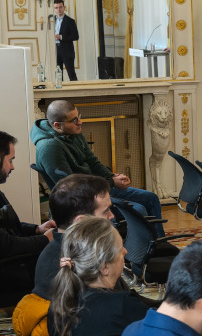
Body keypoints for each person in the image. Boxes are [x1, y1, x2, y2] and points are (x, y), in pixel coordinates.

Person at [31, 99, 165, 237]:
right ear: (57, 125)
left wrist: (111, 177)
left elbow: (92, 161)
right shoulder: (50, 148)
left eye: (79, 117)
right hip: (82, 200)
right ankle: (134, 252)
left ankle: (159, 246)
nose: (80, 122)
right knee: (139, 209)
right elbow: (73, 189)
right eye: (74, 120)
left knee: (151, 198)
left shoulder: (72, 132)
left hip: (95, 189)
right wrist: (112, 183)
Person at [47, 216, 147, 336]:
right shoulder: (122, 305)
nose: (126, 252)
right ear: (104, 267)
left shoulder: (59, 304)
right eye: (120, 250)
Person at [33, 173, 115, 300]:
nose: (111, 216)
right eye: (106, 211)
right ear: (81, 222)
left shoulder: (57, 252)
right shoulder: (81, 263)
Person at [0, 131, 55, 306]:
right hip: (8, 272)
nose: (13, 167)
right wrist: (44, 239)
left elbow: (12, 226)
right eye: (10, 160)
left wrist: (37, 229)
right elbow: (6, 245)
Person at [53, 0, 79, 82]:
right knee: (58, 74)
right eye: (56, 8)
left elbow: (75, 36)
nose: (58, 10)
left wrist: (60, 37)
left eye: (60, 7)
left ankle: (76, 92)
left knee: (71, 73)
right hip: (55, 50)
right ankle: (60, 92)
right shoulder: (51, 20)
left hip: (67, 50)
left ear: (64, 7)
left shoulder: (70, 21)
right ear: (54, 9)